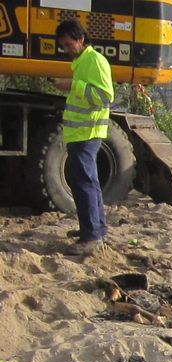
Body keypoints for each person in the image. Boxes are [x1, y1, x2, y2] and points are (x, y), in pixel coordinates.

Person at [52, 19, 113, 255]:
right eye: (63, 46)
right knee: (89, 183)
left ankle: (91, 237)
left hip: (87, 133)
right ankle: (96, 229)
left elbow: (105, 96)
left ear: (80, 39)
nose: (66, 50)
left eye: (68, 45)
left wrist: (73, 85)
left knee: (84, 184)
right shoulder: (83, 61)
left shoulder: (94, 61)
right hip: (82, 133)